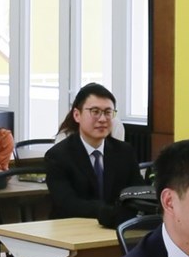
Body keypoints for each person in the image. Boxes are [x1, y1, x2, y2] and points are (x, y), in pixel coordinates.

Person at [44, 83, 143, 225]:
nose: (102, 119)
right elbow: (67, 203)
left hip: (116, 228)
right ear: (77, 115)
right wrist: (109, 213)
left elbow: (136, 192)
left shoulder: (124, 152)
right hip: (71, 228)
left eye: (108, 112)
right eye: (95, 112)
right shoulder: (58, 156)